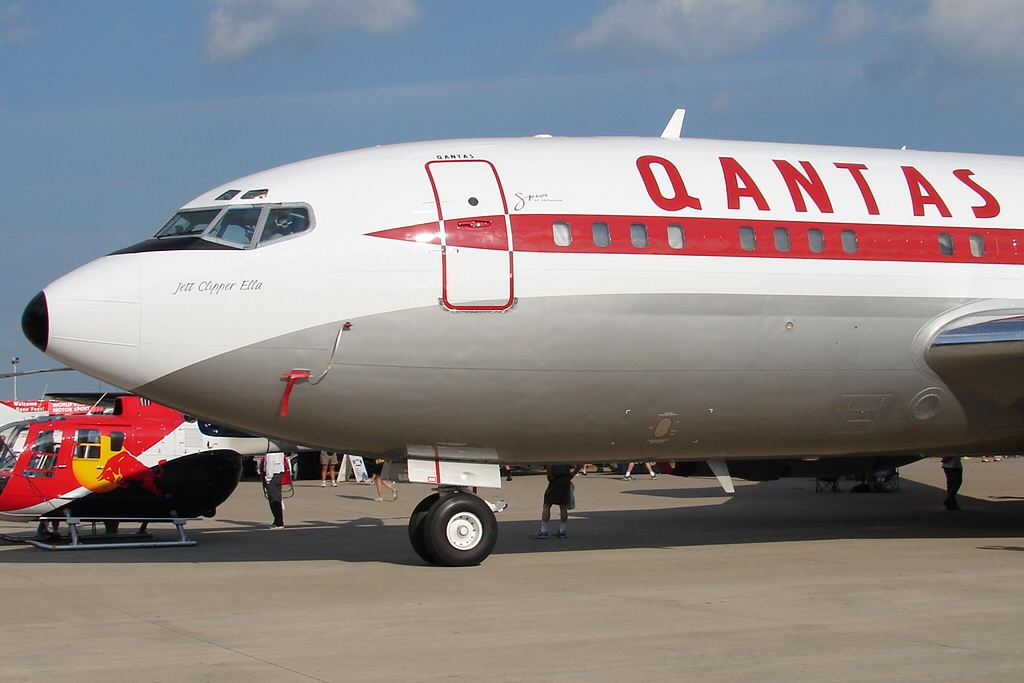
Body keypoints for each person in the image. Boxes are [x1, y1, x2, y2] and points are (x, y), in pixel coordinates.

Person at [531, 464, 582, 539]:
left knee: (547, 504)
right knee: (563, 506)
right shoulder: (568, 453)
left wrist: (549, 475)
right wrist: (574, 472)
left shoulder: (554, 454)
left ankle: (543, 530)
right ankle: (562, 530)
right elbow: (580, 463)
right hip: (566, 479)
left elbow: (549, 464)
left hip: (556, 478)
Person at [263, 451, 287, 527]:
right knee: (278, 498)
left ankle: (278, 522)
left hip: (273, 476)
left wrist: (268, 479)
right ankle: (278, 520)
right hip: (279, 474)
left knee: (273, 499)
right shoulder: (280, 452)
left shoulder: (269, 454)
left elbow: (269, 466)